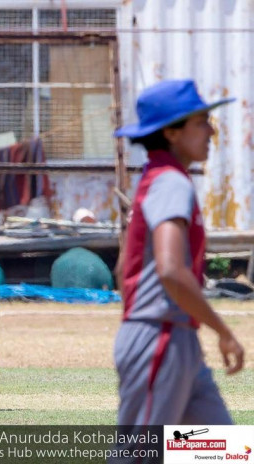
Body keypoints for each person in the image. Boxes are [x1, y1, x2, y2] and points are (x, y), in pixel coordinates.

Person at [113, 79, 244, 427]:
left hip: (177, 337)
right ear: (171, 133)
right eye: (200, 122)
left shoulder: (153, 178)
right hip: (160, 337)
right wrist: (224, 331)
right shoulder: (170, 181)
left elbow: (123, 267)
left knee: (220, 449)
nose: (211, 132)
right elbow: (170, 271)